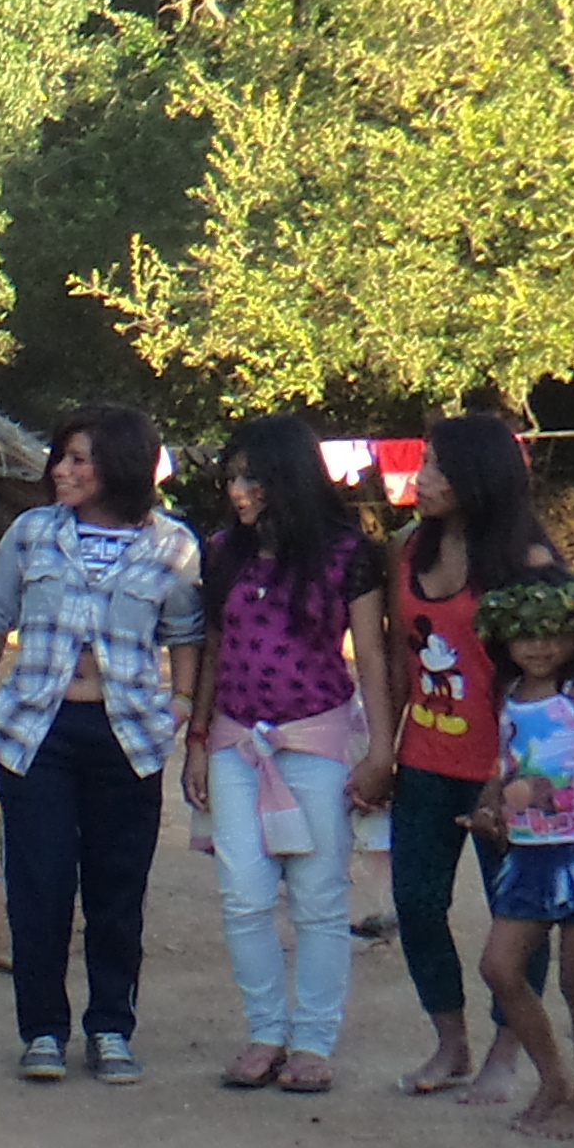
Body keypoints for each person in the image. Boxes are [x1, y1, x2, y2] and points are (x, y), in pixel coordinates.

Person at [0, 406, 204, 1084]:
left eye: (80, 459)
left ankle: (111, 1028)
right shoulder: (32, 533)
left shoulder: (173, 545)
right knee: (39, 885)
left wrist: (180, 707)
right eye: (61, 456)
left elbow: (187, 633)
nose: (62, 470)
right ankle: (42, 1030)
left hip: (127, 737)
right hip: (37, 734)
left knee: (117, 889)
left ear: (122, 467)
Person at [367, 413, 569, 1101]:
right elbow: (400, 657)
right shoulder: (404, 551)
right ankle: (449, 1043)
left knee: (517, 915)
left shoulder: (530, 564)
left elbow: (554, 679)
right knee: (417, 902)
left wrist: (509, 777)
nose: (419, 481)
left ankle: (507, 1052)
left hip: (513, 771)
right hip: (425, 760)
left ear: (480, 477)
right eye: (421, 464)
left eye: (437, 470)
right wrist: (383, 750)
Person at [185, 417, 386, 1094]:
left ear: (287, 480)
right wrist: (197, 739)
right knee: (242, 897)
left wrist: (381, 751)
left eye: (252, 478)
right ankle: (265, 1031)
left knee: (320, 898)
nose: (237, 492)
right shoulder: (223, 552)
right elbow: (214, 647)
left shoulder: (348, 554)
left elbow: (373, 657)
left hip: (318, 740)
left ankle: (314, 1040)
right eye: (232, 478)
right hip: (236, 742)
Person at [473, 577, 574, 1139]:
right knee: (499, 967)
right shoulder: (510, 693)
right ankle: (553, 1082)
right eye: (526, 637)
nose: (540, 647)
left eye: (553, 635)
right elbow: (508, 765)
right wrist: (492, 805)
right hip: (527, 852)